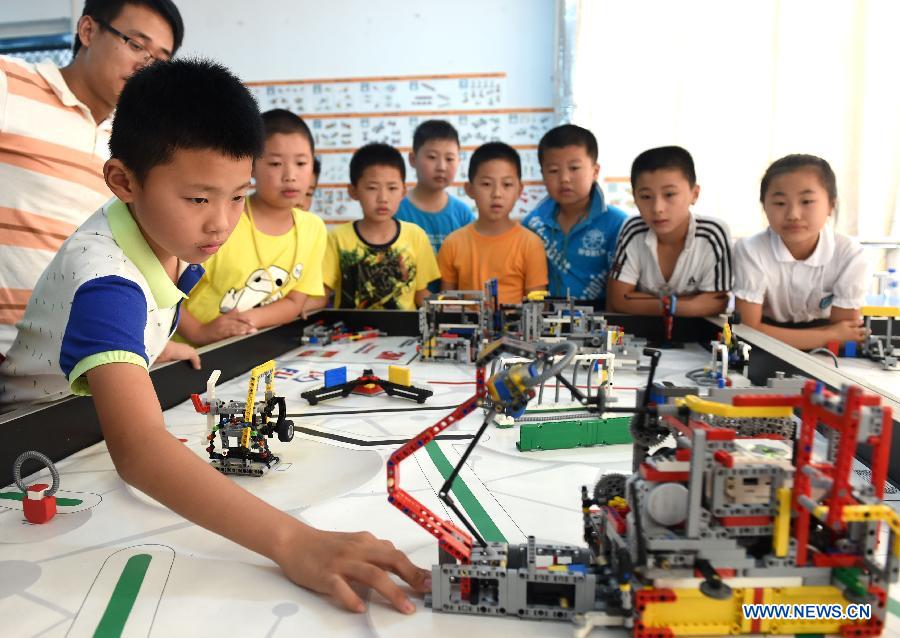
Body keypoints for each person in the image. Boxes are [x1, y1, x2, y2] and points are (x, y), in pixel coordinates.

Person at [0, 59, 428, 614]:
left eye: (237, 196)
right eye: (200, 199)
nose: (222, 223)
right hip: (41, 450)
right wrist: (295, 542)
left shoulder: (159, 228)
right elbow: (141, 454)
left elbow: (147, 310)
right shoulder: (106, 284)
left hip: (90, 419)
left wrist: (147, 345)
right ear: (124, 180)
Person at [0, 0, 184, 355]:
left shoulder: (138, 145)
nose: (146, 66)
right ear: (88, 30)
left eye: (160, 60)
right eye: (136, 44)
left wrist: (154, 343)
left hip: (80, 362)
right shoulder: (11, 85)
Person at [177, 109, 326, 346]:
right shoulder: (221, 220)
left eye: (301, 162)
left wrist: (243, 322)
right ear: (251, 165)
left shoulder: (313, 228)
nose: (290, 175)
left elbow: (295, 301)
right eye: (276, 163)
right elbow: (164, 290)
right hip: (187, 352)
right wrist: (199, 332)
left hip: (248, 347)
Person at [733, 154, 869, 350]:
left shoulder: (851, 255)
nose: (793, 215)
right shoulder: (750, 249)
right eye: (780, 203)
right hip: (762, 351)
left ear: (831, 205)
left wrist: (832, 336)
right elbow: (748, 331)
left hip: (826, 356)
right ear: (764, 206)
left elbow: (846, 335)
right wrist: (828, 335)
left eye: (806, 201)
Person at [607, 146, 732, 316]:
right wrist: (683, 305)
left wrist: (647, 302)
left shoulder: (713, 234)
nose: (657, 208)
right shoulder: (633, 229)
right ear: (634, 198)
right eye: (646, 197)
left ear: (694, 194)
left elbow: (717, 303)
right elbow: (619, 300)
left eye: (670, 194)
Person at [319, 143, 440, 309]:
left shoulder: (416, 235)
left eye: (392, 188)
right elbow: (321, 295)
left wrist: (449, 311)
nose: (383, 198)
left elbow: (420, 294)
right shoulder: (337, 238)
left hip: (403, 334)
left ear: (403, 191)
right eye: (372, 188)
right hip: (349, 333)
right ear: (353, 191)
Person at [522, 124, 628, 304]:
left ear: (595, 171)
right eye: (554, 170)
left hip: (600, 320)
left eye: (574, 168)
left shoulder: (618, 225)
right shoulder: (532, 224)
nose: (564, 178)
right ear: (543, 175)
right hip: (544, 320)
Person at [438, 142, 547, 304]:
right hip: (466, 329)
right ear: (470, 189)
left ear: (519, 190)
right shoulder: (452, 244)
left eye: (507, 184)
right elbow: (447, 304)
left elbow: (537, 308)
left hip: (517, 329)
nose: (497, 194)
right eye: (486, 184)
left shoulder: (531, 245)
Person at [395, 119, 474, 255]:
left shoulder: (463, 215)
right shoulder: (395, 210)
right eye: (432, 157)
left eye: (449, 159)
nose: (441, 167)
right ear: (413, 159)